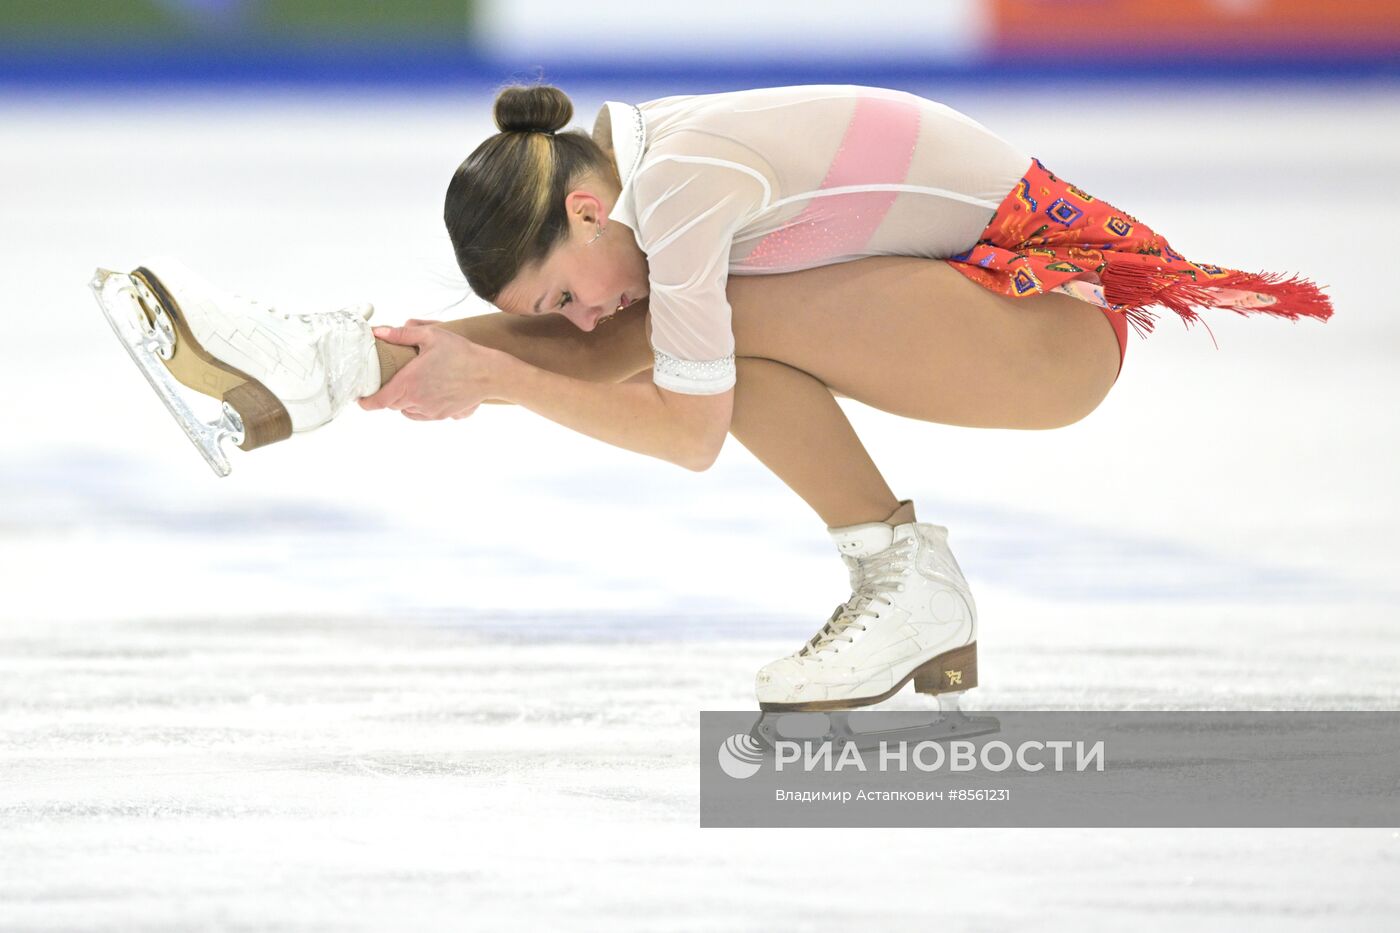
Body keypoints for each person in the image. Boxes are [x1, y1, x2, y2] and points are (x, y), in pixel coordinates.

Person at [91, 83, 1333, 715]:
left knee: (689, 342)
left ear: (586, 208)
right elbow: (644, 357)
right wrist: (516, 364)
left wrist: (512, 376)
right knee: (675, 333)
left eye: (560, 288)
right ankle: (305, 370)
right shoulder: (645, 171)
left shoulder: (677, 188)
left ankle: (309, 367)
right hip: (992, 312)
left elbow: (689, 432)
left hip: (1049, 337)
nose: (579, 313)